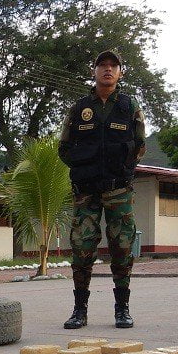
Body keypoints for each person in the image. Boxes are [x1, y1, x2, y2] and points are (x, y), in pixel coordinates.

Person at [57, 48, 146, 330]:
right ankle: (79, 310)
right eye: (102, 65)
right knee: (82, 248)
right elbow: (64, 147)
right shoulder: (80, 107)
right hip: (86, 191)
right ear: (94, 71)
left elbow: (140, 145)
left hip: (119, 189)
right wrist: (83, 168)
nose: (107, 69)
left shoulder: (129, 107)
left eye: (113, 65)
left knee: (122, 247)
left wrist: (123, 169)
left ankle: (122, 309)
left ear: (120, 72)